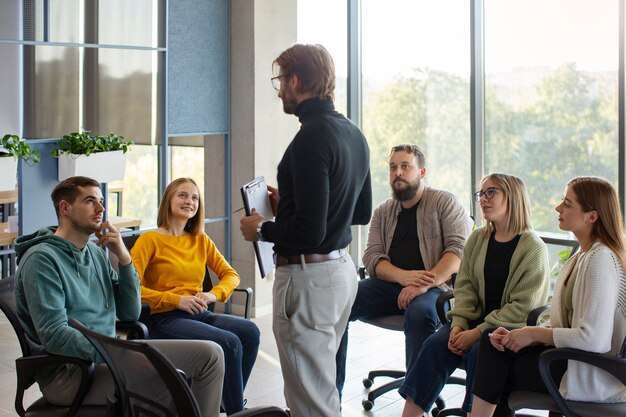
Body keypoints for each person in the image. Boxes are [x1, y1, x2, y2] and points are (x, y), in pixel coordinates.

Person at [14, 176, 224, 417]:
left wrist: (124, 260)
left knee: (211, 354)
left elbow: (129, 311)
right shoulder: (41, 260)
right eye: (90, 201)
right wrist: (118, 354)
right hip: (71, 373)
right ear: (65, 208)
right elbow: (54, 335)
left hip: (109, 355)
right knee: (170, 381)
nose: (101, 209)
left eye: (101, 201)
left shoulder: (94, 252)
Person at [239, 43, 372, 417]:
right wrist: (292, 203)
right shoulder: (353, 133)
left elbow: (310, 232)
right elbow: (358, 212)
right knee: (321, 386)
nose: (279, 89)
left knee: (309, 401)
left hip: (308, 279)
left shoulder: (309, 138)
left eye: (279, 80)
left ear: (295, 80)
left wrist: (262, 228)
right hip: (341, 273)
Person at [470, 176, 626, 417]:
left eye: (567, 203)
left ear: (591, 216)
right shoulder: (582, 256)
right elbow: (571, 323)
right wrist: (522, 336)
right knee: (494, 343)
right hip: (572, 360)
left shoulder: (600, 260)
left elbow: (595, 341)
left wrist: (535, 333)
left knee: (495, 366)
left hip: (590, 374)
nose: (558, 208)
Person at [400, 173, 551, 417]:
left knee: (480, 355)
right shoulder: (478, 238)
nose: (483, 199)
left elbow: (522, 308)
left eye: (491, 192)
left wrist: (475, 334)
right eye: (481, 194)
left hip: (508, 328)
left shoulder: (533, 247)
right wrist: (458, 325)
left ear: (512, 197)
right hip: (471, 322)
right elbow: (465, 289)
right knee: (434, 346)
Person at [335, 143, 473, 396]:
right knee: (339, 302)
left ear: (421, 172)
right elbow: (372, 257)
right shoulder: (383, 211)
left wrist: (422, 284)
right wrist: (404, 277)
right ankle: (331, 398)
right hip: (390, 286)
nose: (397, 172)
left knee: (419, 315)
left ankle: (416, 400)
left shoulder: (445, 202)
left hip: (437, 288)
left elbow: (458, 253)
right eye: (392, 167)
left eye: (405, 166)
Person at [131, 177, 260, 415]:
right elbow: (132, 289)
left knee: (250, 331)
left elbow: (231, 275)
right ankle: (236, 412)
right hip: (164, 319)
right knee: (229, 342)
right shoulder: (149, 240)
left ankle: (227, 399)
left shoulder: (200, 240)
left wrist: (212, 296)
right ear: (168, 199)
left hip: (199, 313)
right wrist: (175, 299)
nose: (189, 201)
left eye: (194, 198)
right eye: (182, 195)